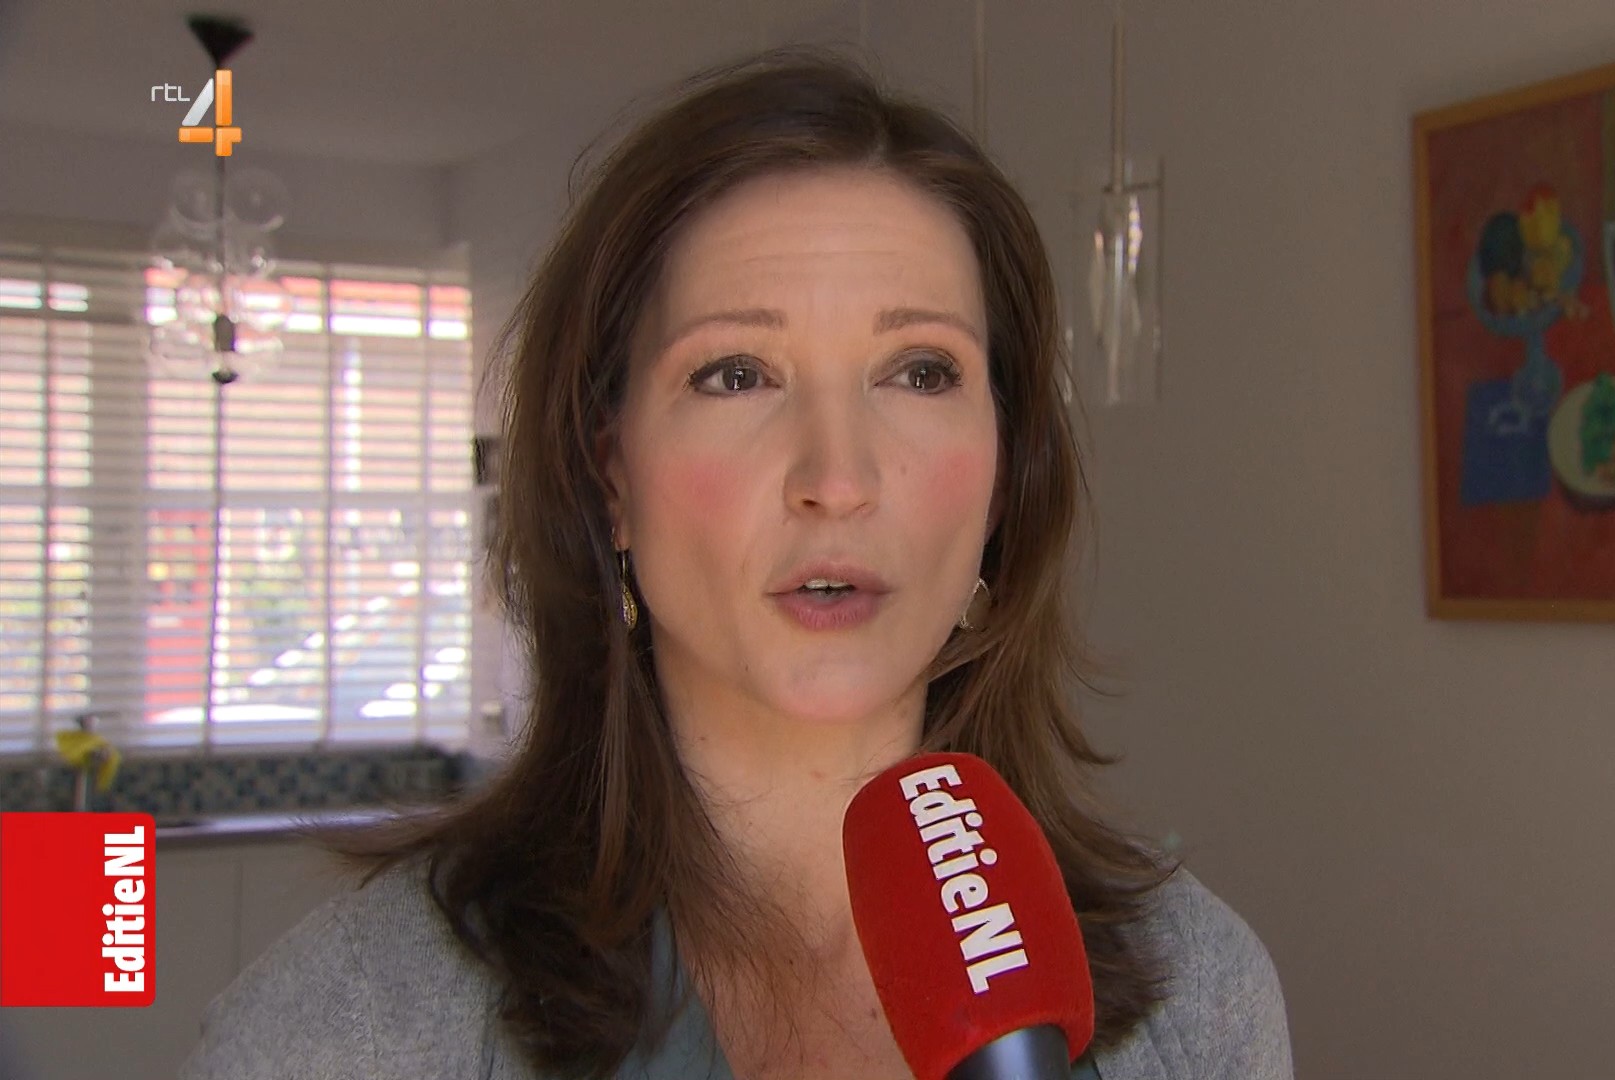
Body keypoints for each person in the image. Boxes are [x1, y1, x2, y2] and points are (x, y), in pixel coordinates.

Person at [178, 47, 1292, 1080]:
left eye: (919, 371)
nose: (838, 477)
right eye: (736, 375)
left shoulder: (1201, 1000)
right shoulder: (341, 1031)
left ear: (1004, 475)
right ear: (611, 475)